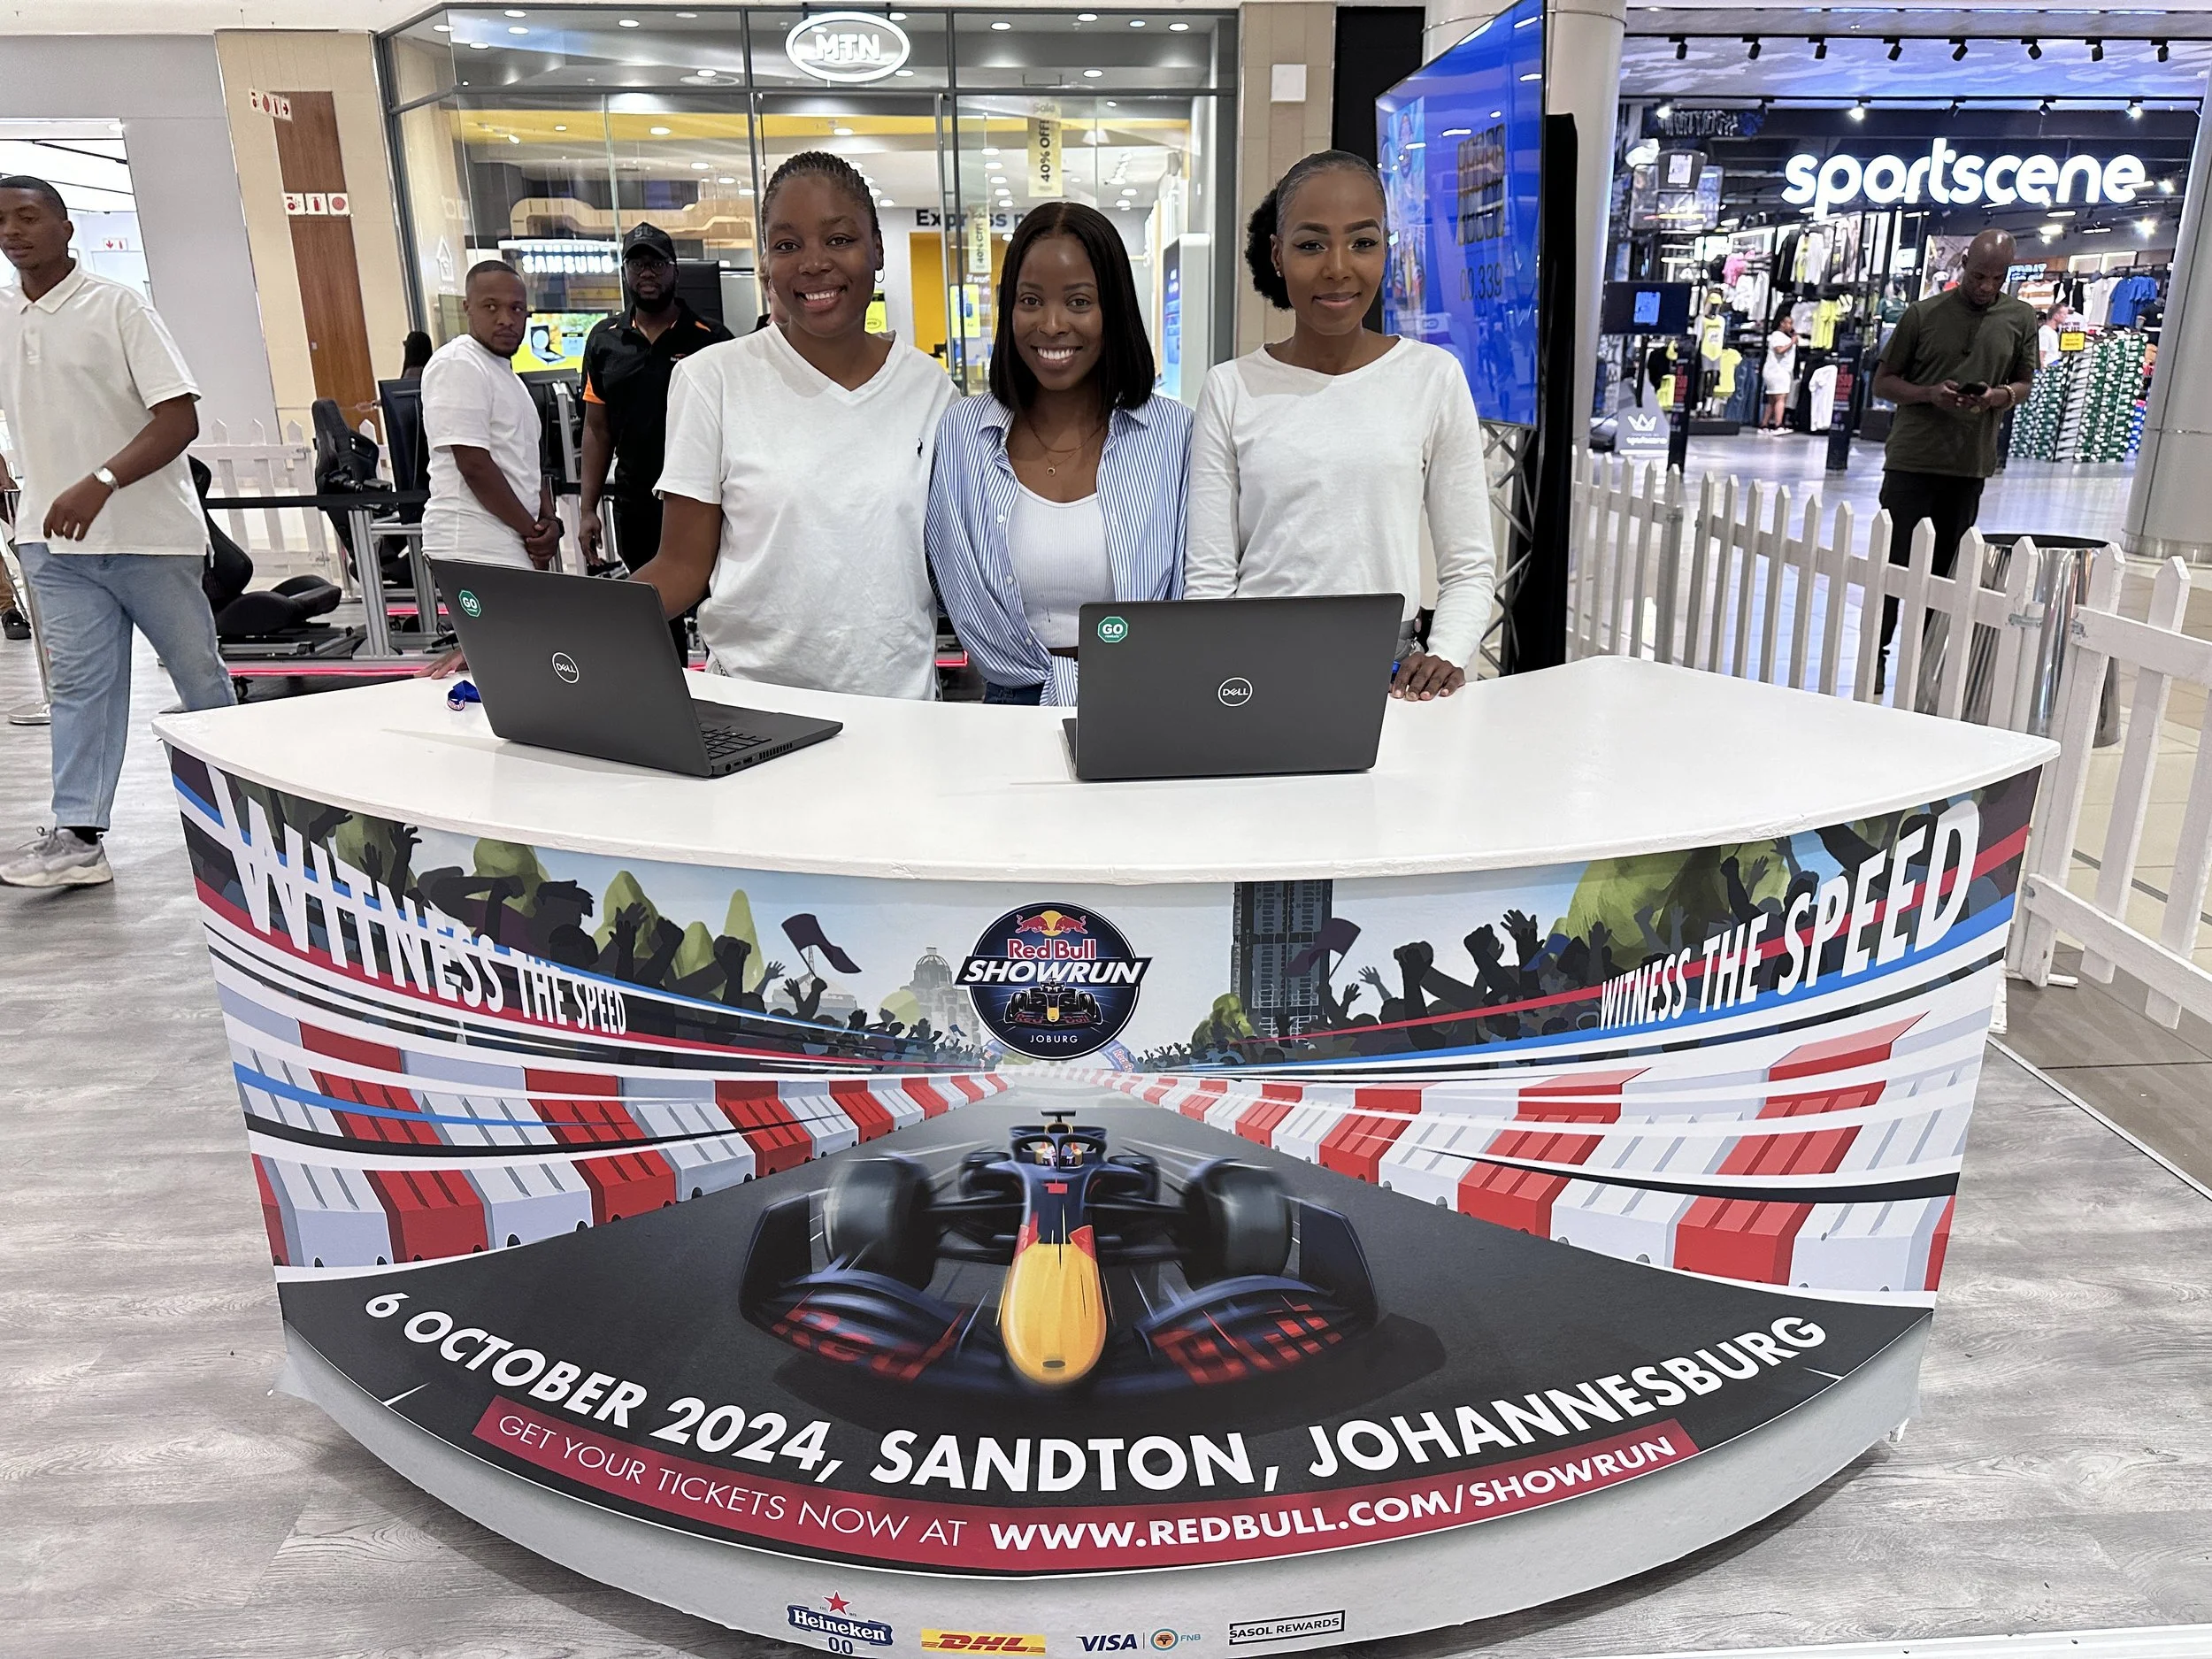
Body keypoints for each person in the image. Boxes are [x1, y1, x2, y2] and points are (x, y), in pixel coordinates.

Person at [628, 151, 955, 699]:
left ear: (876, 249)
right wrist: (545, 629)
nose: (812, 263)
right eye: (786, 245)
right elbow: (682, 566)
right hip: (755, 708)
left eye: (839, 239)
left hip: (900, 714)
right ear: (765, 263)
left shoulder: (929, 389)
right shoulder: (712, 379)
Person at [1187, 150, 1494, 699]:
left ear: (1387, 249)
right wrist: (1219, 674)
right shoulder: (1231, 388)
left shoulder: (1432, 377)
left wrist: (1446, 652)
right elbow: (1210, 576)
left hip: (1392, 675)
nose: (1337, 267)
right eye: (1311, 244)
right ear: (1278, 256)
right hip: (1255, 667)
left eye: (1362, 242)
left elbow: (1469, 564)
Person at [0, 173, 234, 888]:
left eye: (29, 216)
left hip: (149, 538)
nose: (13, 230)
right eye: (2, 220)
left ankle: (246, 811)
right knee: (78, 689)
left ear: (66, 228)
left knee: (198, 679)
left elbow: (178, 419)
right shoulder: (6, 316)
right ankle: (78, 834)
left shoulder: (119, 307)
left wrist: (100, 482)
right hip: (54, 546)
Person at [927, 200, 1191, 705]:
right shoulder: (964, 434)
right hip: (1009, 706)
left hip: (1147, 697)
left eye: (1078, 301)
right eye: (1030, 301)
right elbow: (955, 588)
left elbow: (1193, 592)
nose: (1051, 325)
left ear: (1112, 310)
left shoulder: (1174, 436)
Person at [1870, 227, 2039, 677]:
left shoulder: (2020, 318)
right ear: (1963, 265)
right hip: (1912, 459)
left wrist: (1996, 396)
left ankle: (1923, 666)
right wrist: (1929, 394)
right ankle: (1876, 658)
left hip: (1969, 464)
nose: (1986, 287)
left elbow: (2024, 382)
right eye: (1979, 275)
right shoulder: (1921, 315)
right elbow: (1883, 383)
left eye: (1997, 278)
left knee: (1946, 570)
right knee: (1894, 563)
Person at [578, 223, 730, 656]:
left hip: (704, 499)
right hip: (635, 501)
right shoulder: (605, 341)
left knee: (715, 605)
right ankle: (668, 703)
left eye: (657, 263)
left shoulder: (711, 339)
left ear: (675, 272)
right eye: (638, 263)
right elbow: (596, 427)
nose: (648, 272)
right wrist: (588, 510)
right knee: (653, 617)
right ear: (626, 272)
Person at [419, 260, 558, 570]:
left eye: (517, 309)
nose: (506, 320)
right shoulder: (459, 364)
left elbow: (527, 463)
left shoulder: (507, 375)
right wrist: (533, 531)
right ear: (468, 308)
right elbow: (474, 465)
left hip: (508, 540)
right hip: (473, 544)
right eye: (491, 307)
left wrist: (548, 519)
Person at [1761, 315, 1796, 434]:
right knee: (1781, 398)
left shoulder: (1780, 336)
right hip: (1778, 370)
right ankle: (1778, 425)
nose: (1790, 326)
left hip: (1774, 370)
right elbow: (1779, 350)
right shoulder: (1777, 336)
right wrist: (1792, 342)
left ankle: (1764, 425)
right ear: (1782, 323)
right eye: (1788, 323)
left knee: (1772, 400)